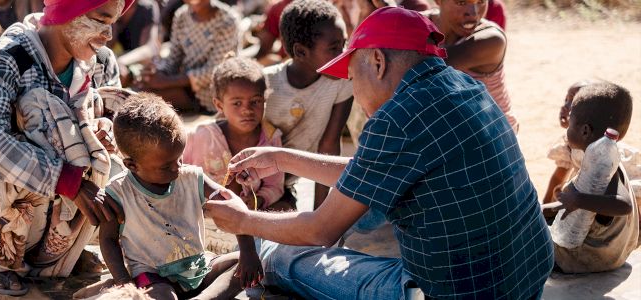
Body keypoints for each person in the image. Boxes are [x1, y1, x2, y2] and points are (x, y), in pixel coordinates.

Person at [204, 8, 553, 298]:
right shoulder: (464, 86)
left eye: (353, 77)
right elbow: (368, 172)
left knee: (283, 255)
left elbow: (320, 231)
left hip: (452, 293)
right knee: (364, 211)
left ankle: (258, 255)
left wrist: (244, 220)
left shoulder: (397, 116)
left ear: (377, 61)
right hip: (526, 279)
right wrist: (282, 158)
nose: (354, 90)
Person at [0, 0, 135, 296]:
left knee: (114, 163)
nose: (108, 34)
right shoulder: (10, 55)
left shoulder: (101, 61)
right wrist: (66, 181)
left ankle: (54, 257)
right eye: (100, 19)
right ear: (67, 13)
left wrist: (106, 130)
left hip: (55, 201)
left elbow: (116, 115)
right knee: (47, 127)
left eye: (112, 22)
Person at [97, 93, 263, 299]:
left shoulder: (191, 177)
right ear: (132, 165)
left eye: (180, 158)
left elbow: (232, 206)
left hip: (199, 267)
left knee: (243, 262)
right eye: (167, 166)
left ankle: (205, 297)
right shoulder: (119, 193)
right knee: (164, 295)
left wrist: (248, 251)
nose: (177, 168)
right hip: (153, 276)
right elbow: (108, 239)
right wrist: (124, 282)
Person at [264, 0, 353, 209]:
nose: (344, 55)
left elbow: (329, 147)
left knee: (284, 212)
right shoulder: (267, 85)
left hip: (284, 184)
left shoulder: (341, 84)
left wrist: (319, 213)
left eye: (344, 44)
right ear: (301, 52)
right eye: (334, 48)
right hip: (252, 176)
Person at [541, 82, 637, 273]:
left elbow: (624, 205)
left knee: (524, 247)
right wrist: (539, 210)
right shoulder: (592, 158)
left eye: (570, 121)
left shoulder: (605, 168)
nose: (567, 127)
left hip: (594, 257)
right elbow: (574, 207)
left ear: (585, 131)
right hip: (601, 250)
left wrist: (578, 199)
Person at [183, 55, 289, 211]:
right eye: (237, 103)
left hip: (246, 217)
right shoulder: (201, 136)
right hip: (204, 215)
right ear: (219, 105)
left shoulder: (271, 140)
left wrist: (258, 200)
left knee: (285, 208)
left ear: (265, 100)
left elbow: (275, 185)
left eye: (255, 101)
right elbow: (181, 173)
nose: (247, 110)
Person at [426, 0, 518, 132]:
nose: (473, 13)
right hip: (451, 129)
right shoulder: (420, 23)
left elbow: (427, 66)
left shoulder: (491, 40)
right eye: (461, 3)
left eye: (480, 2)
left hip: (493, 134)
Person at [136, 0, 239, 113]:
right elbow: (173, 59)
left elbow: (214, 71)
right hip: (181, 83)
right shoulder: (181, 15)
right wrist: (157, 74)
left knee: (146, 97)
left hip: (210, 92)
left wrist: (167, 81)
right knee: (143, 88)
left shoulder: (227, 20)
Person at [108, 0, 161, 86]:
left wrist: (121, 61)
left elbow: (149, 48)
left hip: (137, 62)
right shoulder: (111, 6)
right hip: (116, 59)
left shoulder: (147, 7)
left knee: (120, 73)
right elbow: (108, 44)